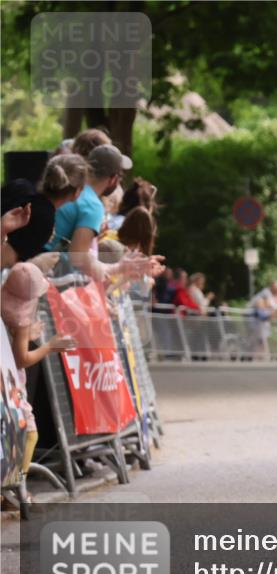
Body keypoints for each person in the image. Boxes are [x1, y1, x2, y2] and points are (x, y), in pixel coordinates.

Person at [1, 263, 77, 482]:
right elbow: (21, 359)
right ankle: (15, 486)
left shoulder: (4, 308)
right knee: (30, 434)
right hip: (12, 386)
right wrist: (50, 346)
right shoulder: (21, 318)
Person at [46, 143, 134, 281]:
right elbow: (78, 256)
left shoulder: (73, 188)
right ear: (113, 179)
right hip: (42, 274)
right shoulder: (93, 205)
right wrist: (113, 269)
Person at [3, 154, 89, 268]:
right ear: (78, 191)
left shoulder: (20, 185)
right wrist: (37, 264)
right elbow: (5, 262)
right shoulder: (44, 218)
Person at [248, 281, 277, 360]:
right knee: (258, 339)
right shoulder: (265, 293)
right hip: (254, 319)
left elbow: (271, 310)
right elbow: (268, 306)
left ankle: (259, 356)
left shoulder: (273, 295)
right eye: (276, 288)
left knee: (260, 339)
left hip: (260, 322)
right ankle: (256, 356)